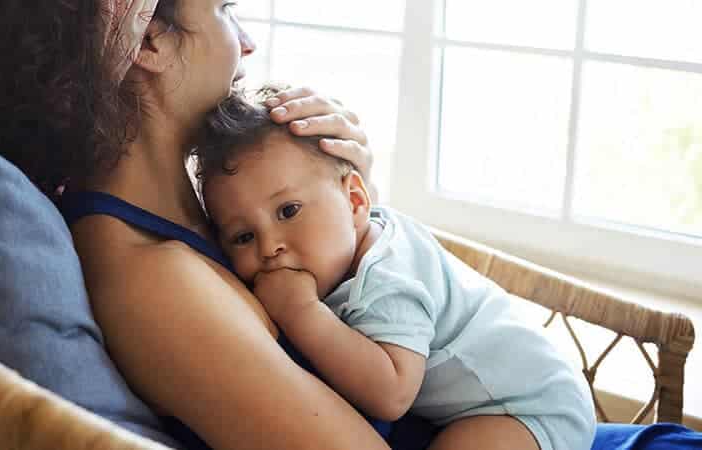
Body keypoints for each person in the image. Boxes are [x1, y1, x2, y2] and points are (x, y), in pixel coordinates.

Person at [0, 0, 432, 449]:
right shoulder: (153, 282)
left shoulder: (201, 209)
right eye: (225, 9)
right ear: (149, 39)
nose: (247, 43)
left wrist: (348, 202)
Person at [192, 87, 597, 450]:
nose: (269, 247)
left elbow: (392, 394)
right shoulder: (342, 245)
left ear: (355, 201)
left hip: (530, 408)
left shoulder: (387, 279)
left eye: (288, 210)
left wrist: (301, 313)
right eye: (242, 237)